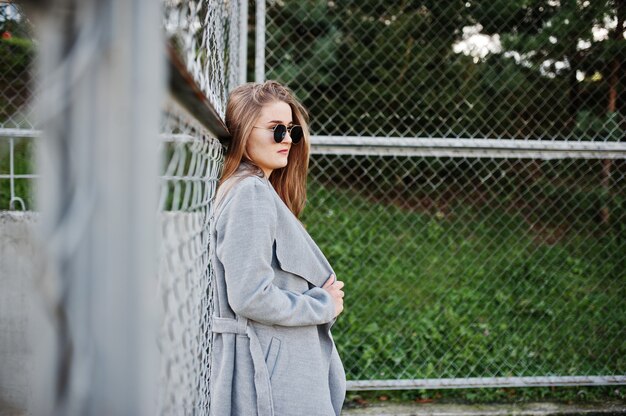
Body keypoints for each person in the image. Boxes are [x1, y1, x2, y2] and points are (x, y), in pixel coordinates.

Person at [209, 80, 346, 416]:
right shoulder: (249, 194)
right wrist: (322, 305)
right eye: (276, 130)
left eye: (292, 131)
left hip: (277, 367)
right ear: (242, 132)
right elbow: (250, 295)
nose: (287, 140)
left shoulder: (258, 191)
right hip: (268, 377)